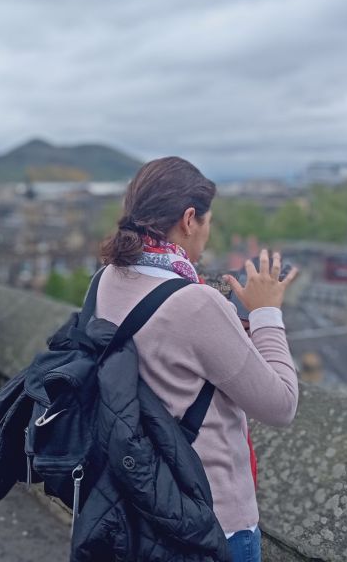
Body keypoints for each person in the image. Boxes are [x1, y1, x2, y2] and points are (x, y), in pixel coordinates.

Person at [95, 157, 299, 562]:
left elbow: (166, 357)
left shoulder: (107, 278)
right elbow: (281, 406)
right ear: (190, 219)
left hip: (140, 501)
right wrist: (266, 313)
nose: (208, 233)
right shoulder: (196, 302)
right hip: (211, 518)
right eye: (208, 221)